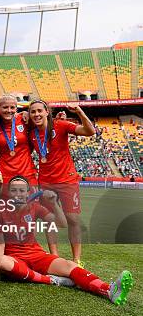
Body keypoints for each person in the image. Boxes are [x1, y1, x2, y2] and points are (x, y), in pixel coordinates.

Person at [0, 176, 133, 306]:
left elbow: (61, 223)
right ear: (8, 193)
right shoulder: (1, 210)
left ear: (28, 193)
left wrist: (54, 203)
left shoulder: (34, 207)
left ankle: (108, 290)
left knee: (70, 265)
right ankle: (51, 280)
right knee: (3, 262)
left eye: (22, 190)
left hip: (36, 255)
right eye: (14, 190)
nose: (18, 194)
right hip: (14, 259)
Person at [28, 100, 95, 265]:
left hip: (67, 179)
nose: (36, 114)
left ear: (47, 112)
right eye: (32, 112)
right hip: (45, 181)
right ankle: (54, 256)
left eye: (39, 111)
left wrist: (79, 112)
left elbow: (89, 131)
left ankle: (77, 259)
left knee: (72, 219)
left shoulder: (61, 125)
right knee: (49, 219)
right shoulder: (31, 133)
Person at [0, 94, 37, 186]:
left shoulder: (24, 119)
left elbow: (41, 129)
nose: (9, 110)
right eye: (5, 107)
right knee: (8, 200)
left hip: (27, 171)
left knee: (32, 200)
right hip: (5, 174)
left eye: (12, 107)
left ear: (16, 109)